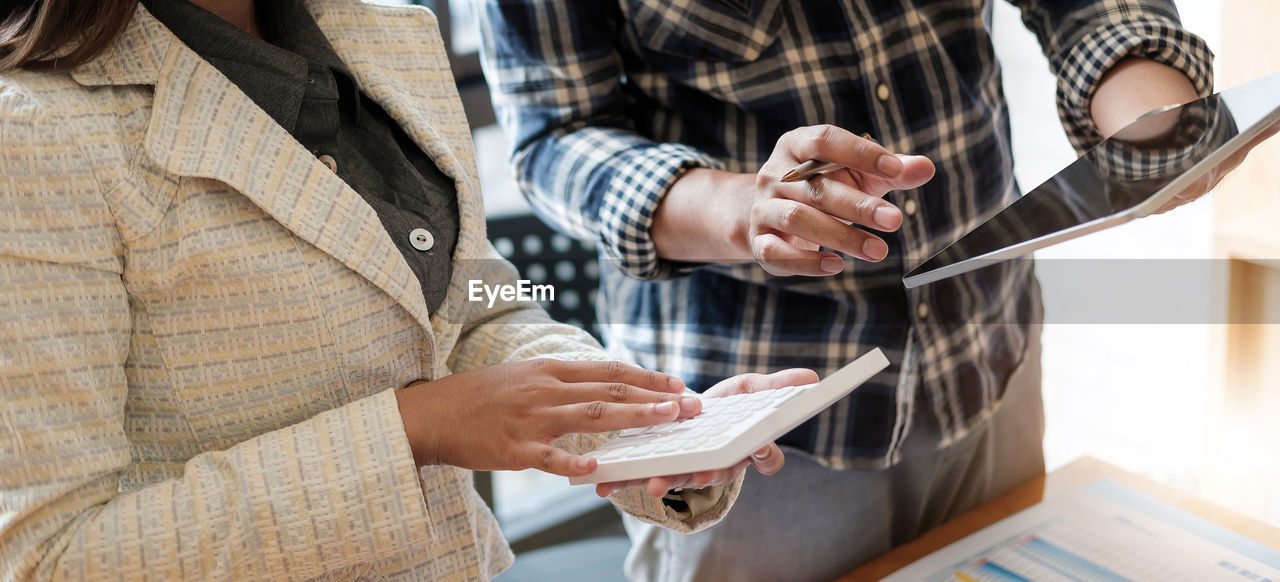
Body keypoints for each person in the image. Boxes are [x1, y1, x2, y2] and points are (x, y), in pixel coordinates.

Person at [0, 1, 809, 579]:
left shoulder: (387, 36)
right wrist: (413, 430)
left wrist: (650, 430)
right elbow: (49, 557)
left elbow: (482, 296)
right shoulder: (33, 133)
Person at [478, 1, 1219, 580]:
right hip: (756, 424)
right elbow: (555, 135)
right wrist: (743, 210)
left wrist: (1149, 109)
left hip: (989, 354)